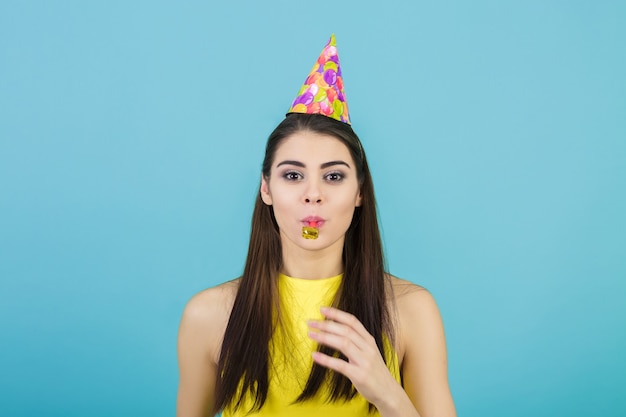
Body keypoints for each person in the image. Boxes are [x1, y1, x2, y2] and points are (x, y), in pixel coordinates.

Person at [176, 35, 456, 417]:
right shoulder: (209, 315)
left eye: (334, 177)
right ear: (266, 189)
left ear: (360, 192)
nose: (313, 195)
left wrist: (386, 393)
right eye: (292, 176)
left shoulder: (410, 310)